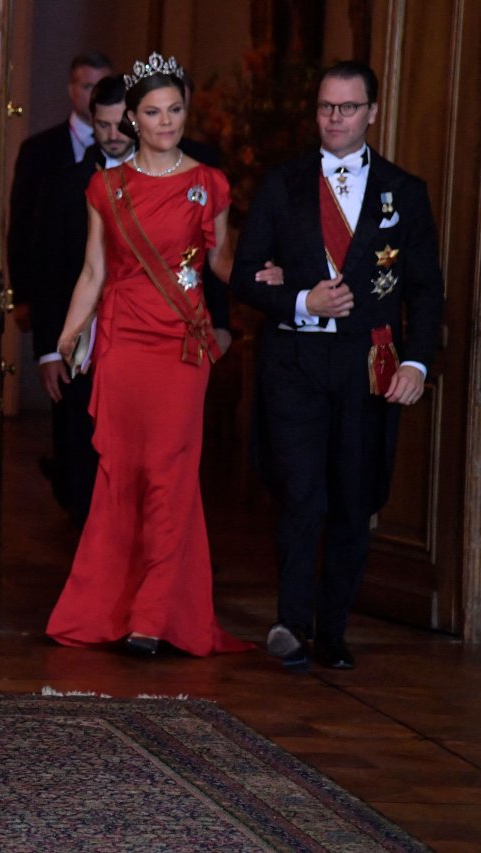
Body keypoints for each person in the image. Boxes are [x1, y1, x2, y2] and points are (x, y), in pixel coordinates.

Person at [45, 54, 269, 658]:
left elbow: (222, 263)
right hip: (123, 343)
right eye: (153, 111)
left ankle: (151, 616)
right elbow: (94, 269)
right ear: (132, 120)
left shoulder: (209, 182)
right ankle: (108, 608)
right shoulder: (107, 187)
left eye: (175, 110)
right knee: (125, 474)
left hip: (179, 346)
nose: (166, 121)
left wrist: (267, 281)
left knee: (170, 473)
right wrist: (68, 333)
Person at [230, 61, 444, 671]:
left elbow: (425, 290)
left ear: (372, 112)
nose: (335, 118)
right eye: (326, 107)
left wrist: (419, 364)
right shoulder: (282, 185)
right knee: (301, 492)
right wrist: (301, 298)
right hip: (295, 360)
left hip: (366, 362)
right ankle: (291, 625)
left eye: (348, 108)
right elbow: (245, 276)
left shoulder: (405, 192)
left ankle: (333, 631)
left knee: (353, 497)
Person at [7, 50, 113, 515]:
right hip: (72, 316)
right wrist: (27, 302)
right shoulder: (53, 161)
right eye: (86, 86)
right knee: (74, 430)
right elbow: (29, 236)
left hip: (133, 331)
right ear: (72, 89)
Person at [29, 74, 132, 528]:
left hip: (139, 336)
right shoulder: (68, 181)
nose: (112, 136)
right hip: (81, 339)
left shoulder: (164, 176)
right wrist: (49, 348)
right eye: (103, 125)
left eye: (120, 124)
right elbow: (48, 267)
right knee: (81, 451)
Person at [8, 51, 114, 318]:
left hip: (111, 292)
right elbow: (21, 223)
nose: (94, 95)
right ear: (71, 89)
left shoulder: (125, 146)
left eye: (101, 87)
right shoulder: (39, 149)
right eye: (87, 86)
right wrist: (22, 295)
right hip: (57, 286)